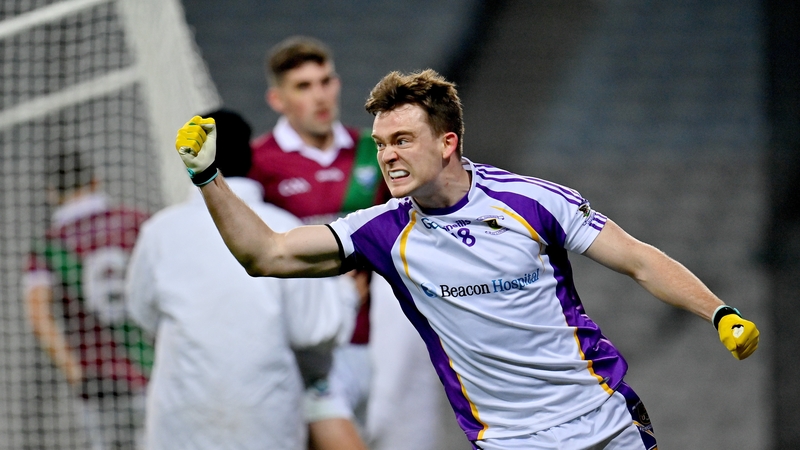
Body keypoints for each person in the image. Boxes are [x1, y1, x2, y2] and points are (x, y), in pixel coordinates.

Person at [174, 69, 760, 449]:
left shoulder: (531, 202)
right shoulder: (380, 231)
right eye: (379, 144)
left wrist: (719, 312)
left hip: (605, 424)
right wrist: (207, 176)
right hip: (509, 443)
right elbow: (266, 254)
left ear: (447, 142)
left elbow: (638, 260)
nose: (387, 156)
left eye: (401, 140)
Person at [248, 36, 450, 448]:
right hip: (304, 346)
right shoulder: (259, 163)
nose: (320, 96)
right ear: (277, 98)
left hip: (376, 340)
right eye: (303, 87)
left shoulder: (375, 151)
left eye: (326, 81)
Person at [125, 109, 366, 450]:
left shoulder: (159, 232)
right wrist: (345, 295)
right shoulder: (283, 227)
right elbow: (316, 329)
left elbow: (141, 312)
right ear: (251, 157)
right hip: (264, 423)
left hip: (180, 422)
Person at [24, 150, 153, 450]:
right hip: (151, 365)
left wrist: (77, 375)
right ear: (95, 180)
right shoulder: (135, 221)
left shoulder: (48, 247)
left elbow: (39, 318)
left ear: (52, 193)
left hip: (98, 381)